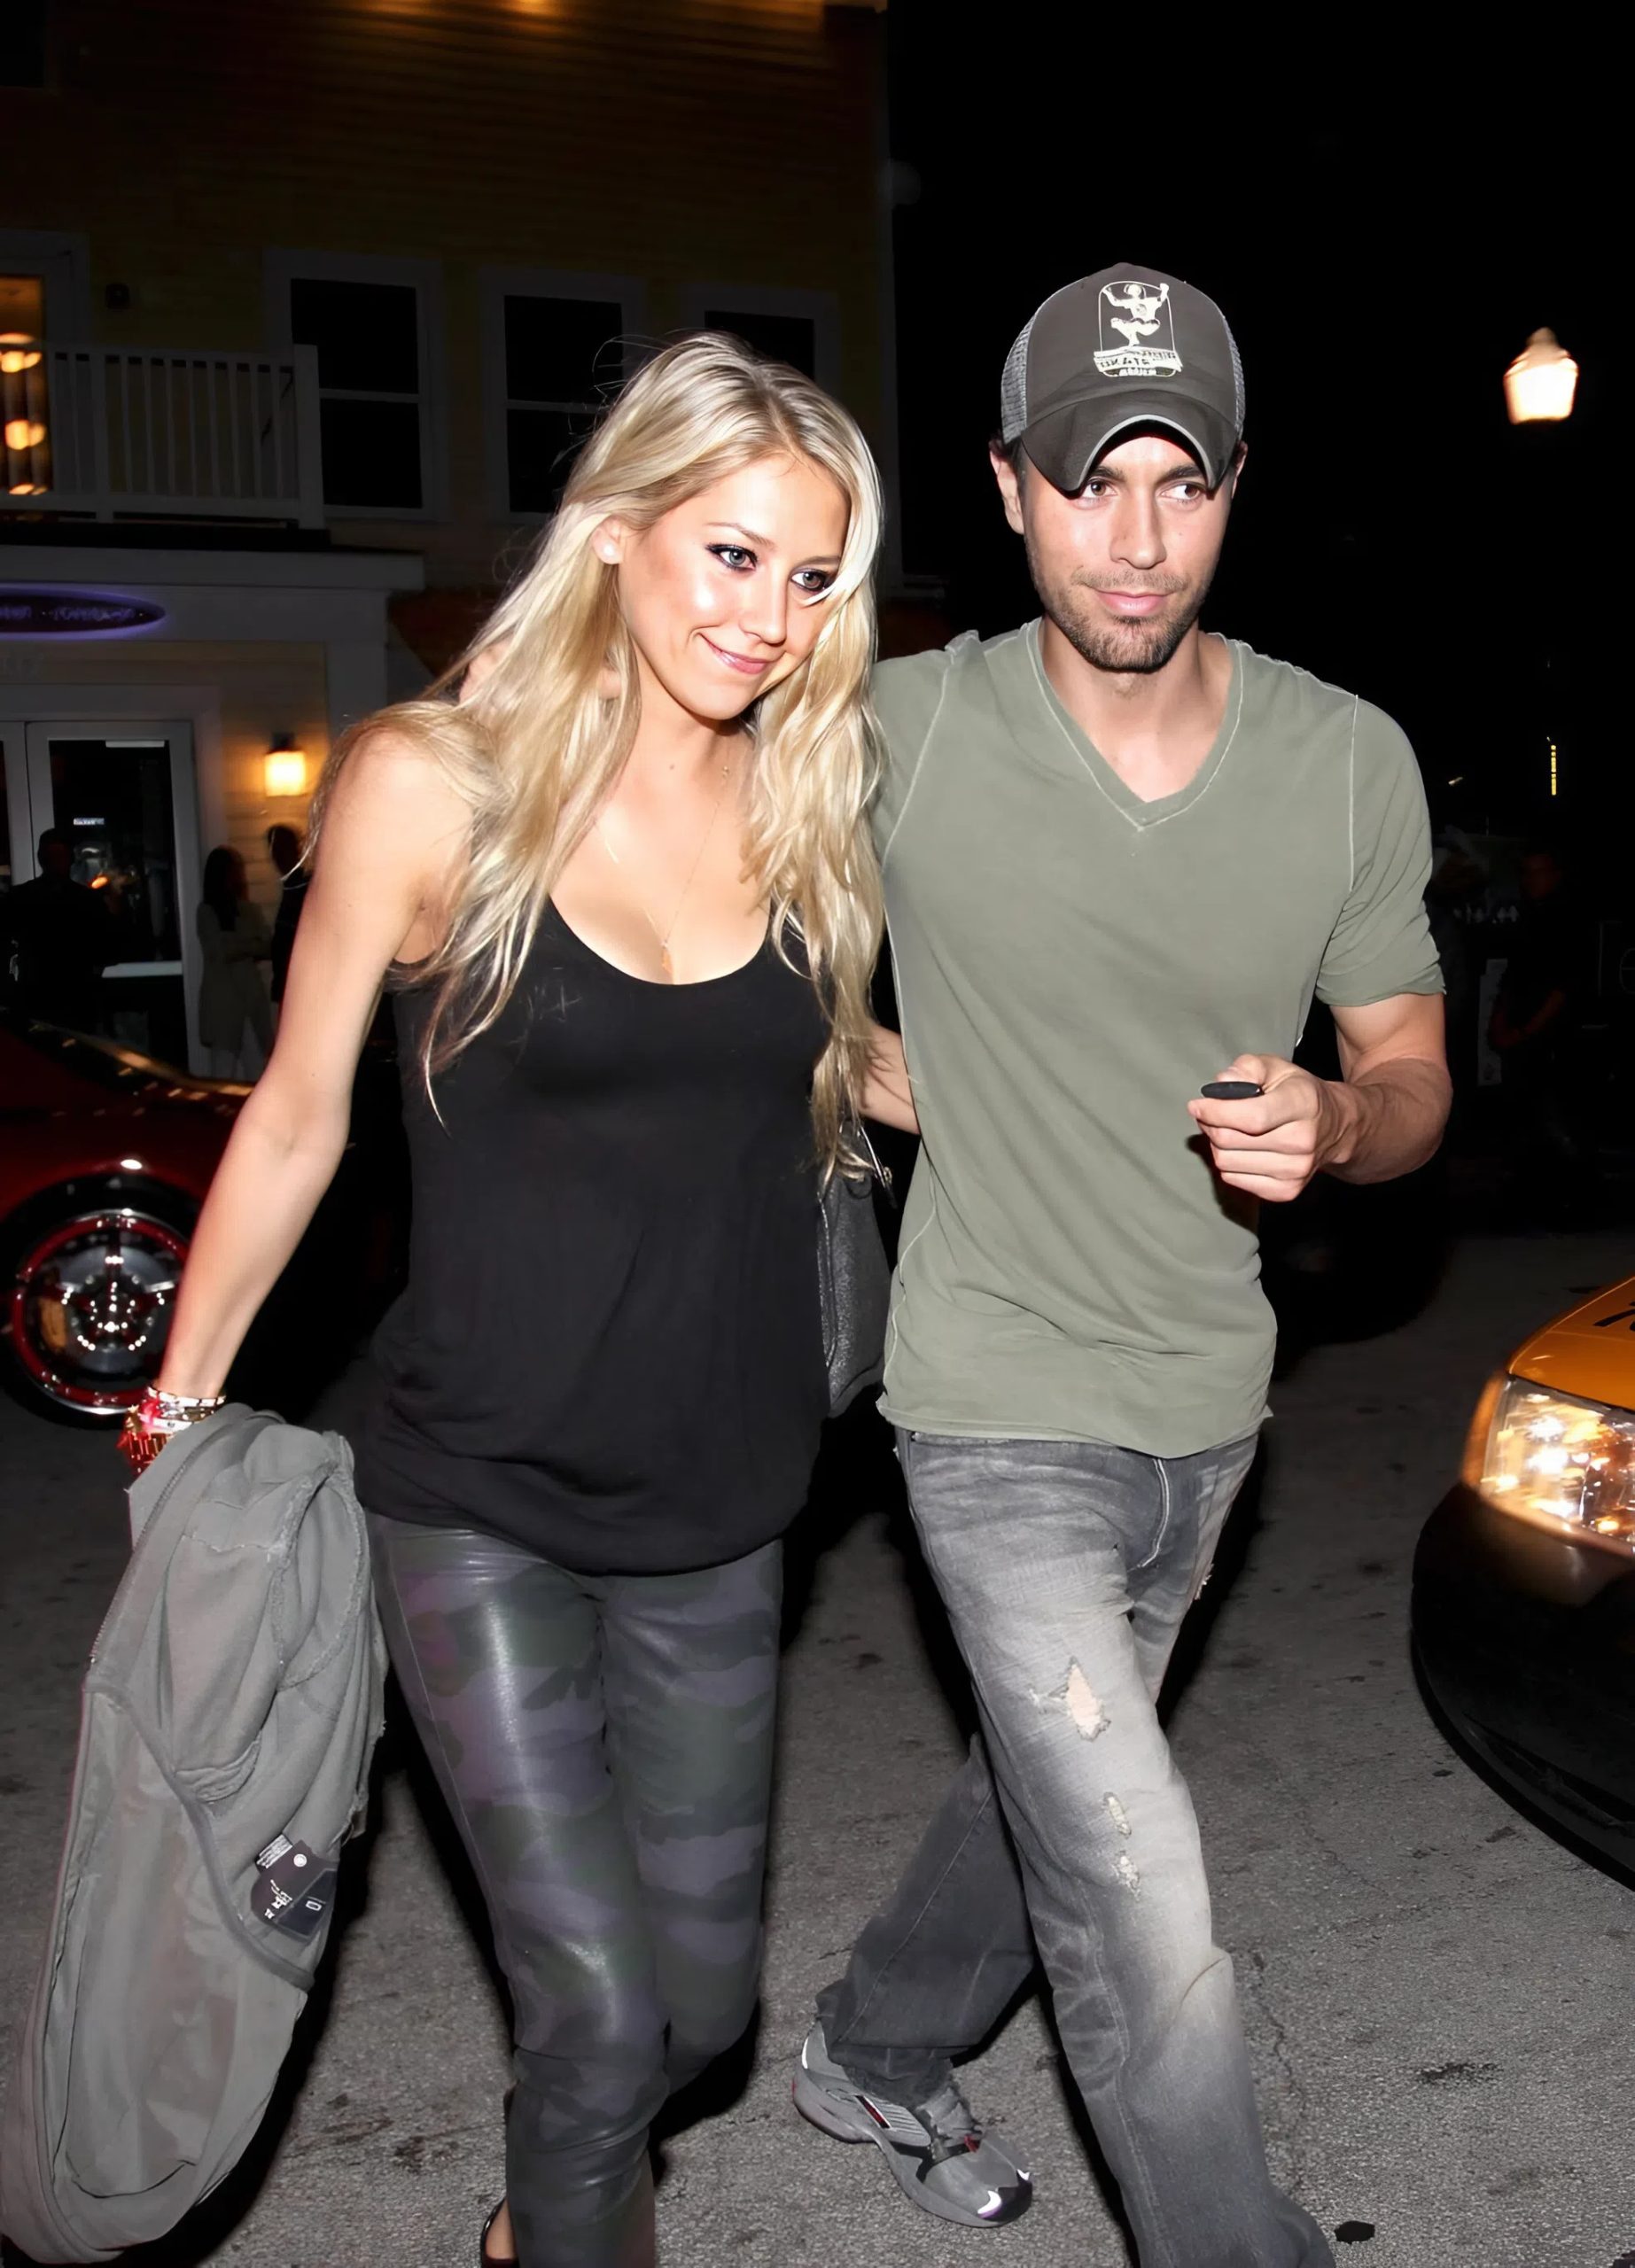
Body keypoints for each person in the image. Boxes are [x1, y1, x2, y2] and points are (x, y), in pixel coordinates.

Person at [136, 334, 915, 2268]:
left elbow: (824, 1068)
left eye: (811, 577)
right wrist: (179, 1400)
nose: (769, 617)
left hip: (724, 1503)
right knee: (591, 2021)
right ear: (619, 531)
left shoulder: (808, 803)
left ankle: (544, 2208)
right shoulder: (435, 785)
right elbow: (298, 1113)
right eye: (731, 554)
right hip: (474, 1494)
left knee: (698, 2017)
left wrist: (1085, 1096)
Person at [792, 267, 1451, 2266]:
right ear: (1008, 490)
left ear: (1237, 488)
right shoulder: (897, 730)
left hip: (1209, 1404)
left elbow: (1413, 1071)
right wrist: (849, 1058)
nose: (1137, 537)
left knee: (1050, 1793)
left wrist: (1339, 1121)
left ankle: (872, 2042)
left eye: (1181, 480)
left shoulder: (1344, 758)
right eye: (1090, 482)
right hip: (989, 1393)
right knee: (1138, 1878)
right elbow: (693, 916)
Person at [1489, 842, 1593, 1217]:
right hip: (1523, 1033)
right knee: (1525, 1116)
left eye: (1540, 872)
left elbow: (1564, 988)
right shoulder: (1528, 919)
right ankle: (1534, 1193)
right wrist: (1501, 1023)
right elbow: (1512, 978)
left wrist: (1528, 1032)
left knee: (1555, 1115)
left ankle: (1574, 1195)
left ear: (1556, 876)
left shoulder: (1567, 921)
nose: (1532, 880)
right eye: (1527, 873)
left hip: (1549, 1038)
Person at [2, 827, 113, 1029]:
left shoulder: (21, 897)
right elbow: (107, 950)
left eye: (60, 856)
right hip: (58, 1001)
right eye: (54, 856)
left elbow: (107, 948)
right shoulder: (86, 900)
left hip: (60, 1000)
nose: (58, 862)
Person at [196, 845, 274, 1078]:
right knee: (223, 1069)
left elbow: (266, 945)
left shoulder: (249, 910)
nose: (238, 875)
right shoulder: (207, 911)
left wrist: (238, 943)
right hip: (224, 1002)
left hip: (251, 999)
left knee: (256, 1068)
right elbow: (221, 951)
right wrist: (247, 943)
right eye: (233, 869)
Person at [265, 821, 309, 1014]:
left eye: (281, 849)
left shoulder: (303, 888)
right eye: (274, 850)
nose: (276, 856)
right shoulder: (292, 887)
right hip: (292, 987)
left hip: (301, 988)